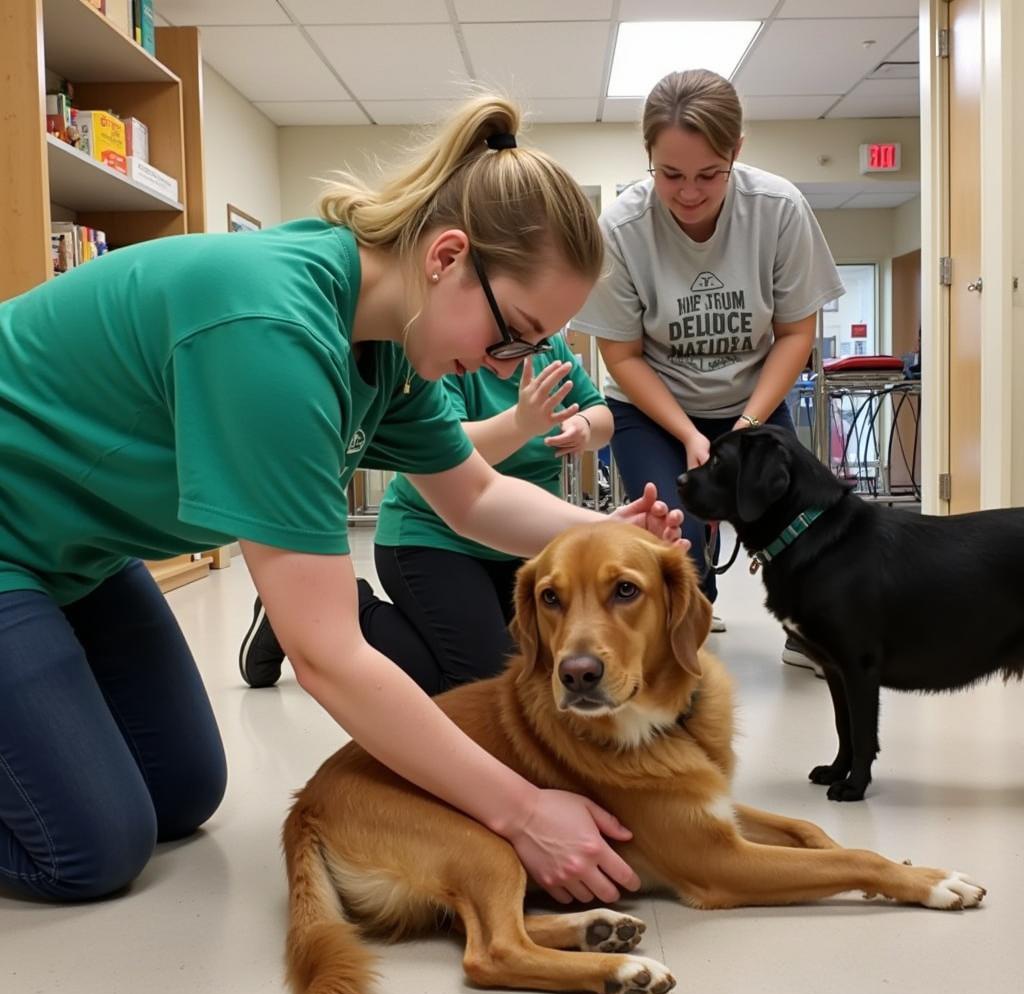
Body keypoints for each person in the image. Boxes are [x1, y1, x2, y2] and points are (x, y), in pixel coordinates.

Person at [0, 95, 683, 905]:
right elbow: (327, 656)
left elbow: (474, 497)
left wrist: (610, 532)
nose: (510, 366)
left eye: (535, 347)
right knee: (92, 852)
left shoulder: (391, 340)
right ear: (447, 258)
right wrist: (522, 810)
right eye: (514, 334)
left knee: (182, 792)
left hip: (78, 550)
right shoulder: (273, 336)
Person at [570, 68, 843, 670]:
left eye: (708, 175)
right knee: (674, 530)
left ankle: (809, 626)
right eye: (670, 175)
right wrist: (693, 436)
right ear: (648, 159)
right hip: (651, 406)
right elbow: (622, 354)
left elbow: (797, 333)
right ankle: (679, 629)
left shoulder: (778, 209)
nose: (688, 192)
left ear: (736, 152)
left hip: (754, 398)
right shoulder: (619, 228)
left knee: (799, 521)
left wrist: (745, 426)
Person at [240, 335, 613, 694]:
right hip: (433, 538)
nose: (533, 340)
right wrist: (520, 423)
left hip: (519, 544)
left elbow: (602, 417)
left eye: (540, 332)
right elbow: (451, 451)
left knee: (533, 673)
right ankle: (313, 609)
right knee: (479, 685)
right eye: (521, 328)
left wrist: (583, 427)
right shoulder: (461, 356)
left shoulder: (551, 348)